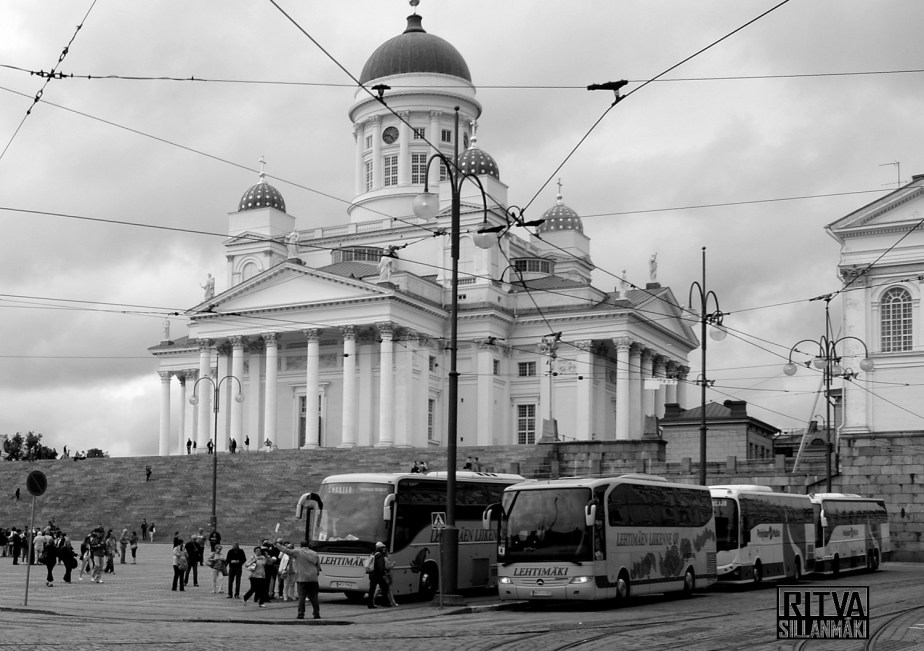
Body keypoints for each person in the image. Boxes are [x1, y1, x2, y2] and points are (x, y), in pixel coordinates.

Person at [276, 539, 322, 619]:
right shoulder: (314, 553)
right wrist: (315, 574)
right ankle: (316, 614)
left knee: (302, 597)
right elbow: (318, 567)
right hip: (313, 579)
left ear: (300, 545)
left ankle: (301, 614)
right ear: (309, 545)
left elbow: (286, 550)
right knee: (314, 598)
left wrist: (277, 545)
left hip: (302, 578)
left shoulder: (298, 552)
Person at [365, 541, 395, 609]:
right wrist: (383, 572)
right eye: (382, 547)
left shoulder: (373, 553)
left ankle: (371, 603)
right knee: (385, 587)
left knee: (372, 589)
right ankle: (384, 602)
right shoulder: (380, 555)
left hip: (372, 574)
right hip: (377, 575)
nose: (383, 548)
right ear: (380, 548)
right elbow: (380, 566)